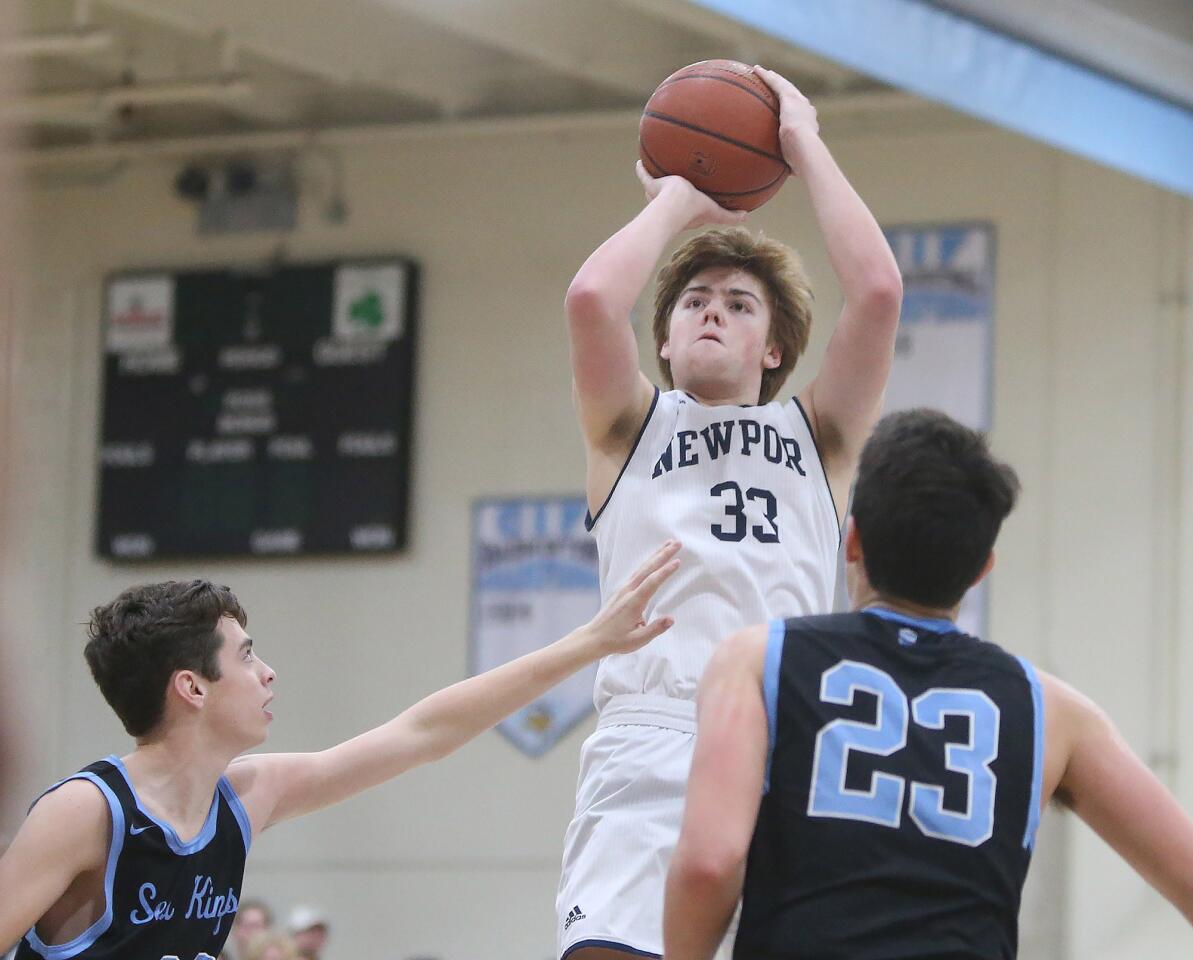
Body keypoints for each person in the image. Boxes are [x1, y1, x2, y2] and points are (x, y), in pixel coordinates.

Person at [558, 65, 902, 959]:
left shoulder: (818, 433)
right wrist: (677, 201)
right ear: (664, 339)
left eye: (738, 304)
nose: (712, 312)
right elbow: (594, 299)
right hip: (649, 734)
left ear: (775, 344)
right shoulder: (628, 426)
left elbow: (877, 293)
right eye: (693, 303)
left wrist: (803, 146)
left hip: (779, 745)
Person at [664, 409, 1193, 959]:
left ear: (852, 541)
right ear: (982, 569)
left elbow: (709, 865)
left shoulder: (758, 658)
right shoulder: (1053, 711)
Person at [0, 542, 681, 959]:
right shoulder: (85, 814)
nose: (267, 672)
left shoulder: (243, 798)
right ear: (191, 688)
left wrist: (588, 644)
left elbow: (422, 734)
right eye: (245, 656)